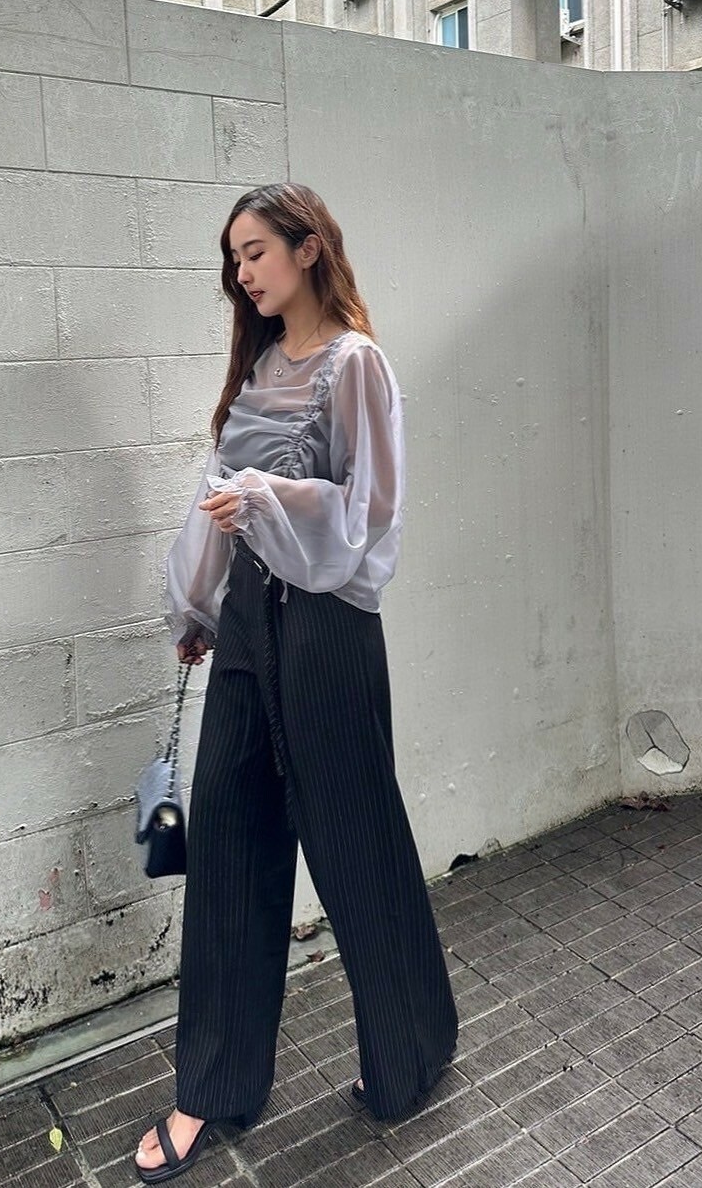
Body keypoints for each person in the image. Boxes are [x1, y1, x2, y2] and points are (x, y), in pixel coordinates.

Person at [134, 183, 458, 1184]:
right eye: (233, 259)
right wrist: (196, 605)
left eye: (255, 252)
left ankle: (408, 1050)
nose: (242, 273)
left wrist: (269, 499)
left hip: (325, 629)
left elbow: (371, 515)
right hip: (245, 625)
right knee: (229, 846)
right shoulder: (259, 367)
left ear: (308, 247)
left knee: (356, 845)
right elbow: (214, 496)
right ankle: (213, 1087)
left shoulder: (355, 365)